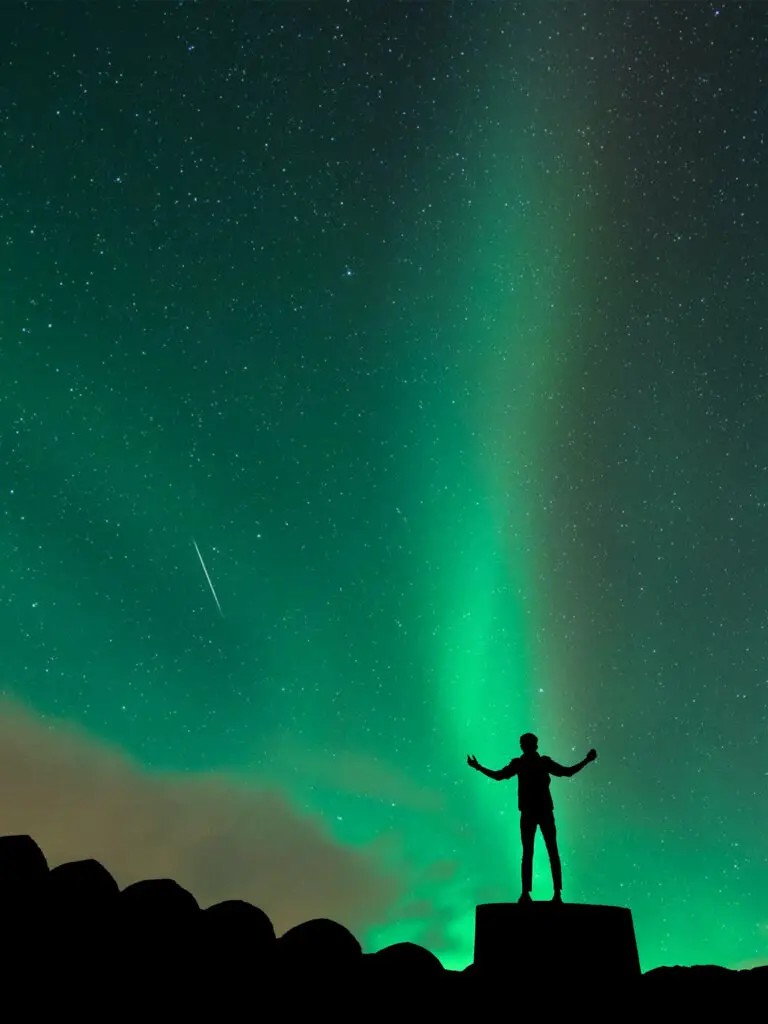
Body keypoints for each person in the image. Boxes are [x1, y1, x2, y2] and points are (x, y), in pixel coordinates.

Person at [467, 733, 597, 903]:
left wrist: (478, 767)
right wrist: (586, 761)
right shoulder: (531, 763)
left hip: (535, 812)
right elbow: (567, 772)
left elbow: (499, 776)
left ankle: (537, 893)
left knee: (536, 852)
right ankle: (547, 893)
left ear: (524, 745)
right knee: (545, 851)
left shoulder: (528, 763)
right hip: (537, 812)